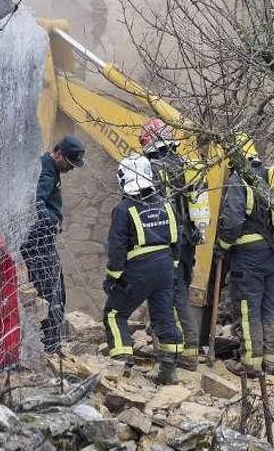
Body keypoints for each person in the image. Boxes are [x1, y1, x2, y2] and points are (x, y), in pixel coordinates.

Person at [102, 154, 184, 384]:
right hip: (166, 266)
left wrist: (113, 277)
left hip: (138, 269)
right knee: (164, 316)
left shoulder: (124, 209)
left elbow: (117, 248)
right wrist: (171, 267)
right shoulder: (166, 204)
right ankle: (169, 370)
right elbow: (177, 239)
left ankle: (121, 365)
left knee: (114, 314)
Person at [138, 118, 209, 371]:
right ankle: (178, 348)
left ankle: (181, 353)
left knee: (171, 294)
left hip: (166, 241)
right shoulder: (188, 167)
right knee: (178, 291)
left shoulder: (150, 168)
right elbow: (199, 208)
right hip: (188, 241)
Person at [216, 133, 274, 377]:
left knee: (247, 309)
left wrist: (221, 246)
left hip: (248, 257)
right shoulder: (267, 175)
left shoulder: (239, 178)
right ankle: (271, 361)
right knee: (270, 308)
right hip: (271, 254)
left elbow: (233, 221)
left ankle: (250, 364)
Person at [20, 135, 85, 354]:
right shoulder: (46, 171)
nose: (71, 169)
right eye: (69, 163)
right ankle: (50, 346)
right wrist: (49, 221)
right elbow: (36, 201)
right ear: (58, 153)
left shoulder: (51, 169)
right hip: (39, 243)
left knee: (57, 290)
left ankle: (53, 344)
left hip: (43, 240)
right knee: (49, 292)